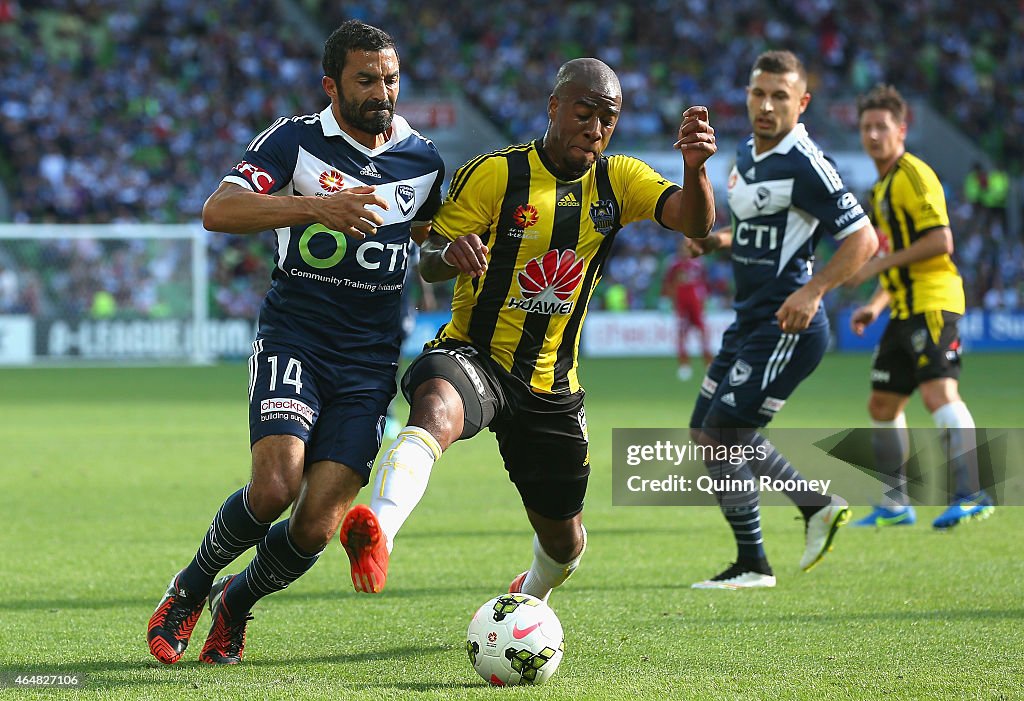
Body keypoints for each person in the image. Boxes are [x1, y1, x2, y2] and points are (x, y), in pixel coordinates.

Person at [336, 57, 717, 601]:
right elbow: (428, 262)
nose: (595, 129)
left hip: (549, 383)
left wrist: (696, 167)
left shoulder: (620, 179)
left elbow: (695, 222)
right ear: (554, 107)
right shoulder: (496, 174)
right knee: (435, 406)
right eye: (583, 114)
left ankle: (531, 592)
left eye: (607, 120)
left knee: (565, 544)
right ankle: (380, 535)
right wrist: (453, 252)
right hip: (475, 354)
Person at [146, 20, 445, 666]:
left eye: (390, 78)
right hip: (296, 338)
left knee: (314, 526)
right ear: (331, 84)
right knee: (276, 483)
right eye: (366, 79)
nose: (382, 91)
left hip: (369, 361)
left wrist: (456, 253)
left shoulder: (423, 161)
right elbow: (218, 210)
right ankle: (191, 586)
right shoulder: (295, 142)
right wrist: (314, 207)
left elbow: (427, 244)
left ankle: (236, 603)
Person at [683, 50, 877, 589]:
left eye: (780, 97)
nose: (766, 106)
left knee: (725, 433)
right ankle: (815, 505)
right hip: (749, 322)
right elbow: (759, 231)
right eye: (758, 94)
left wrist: (814, 291)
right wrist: (717, 240)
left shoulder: (806, 162)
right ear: (747, 95)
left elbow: (864, 239)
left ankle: (754, 564)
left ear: (802, 102)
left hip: (788, 324)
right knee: (709, 432)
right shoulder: (745, 154)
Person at [846, 84, 994, 529]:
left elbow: (939, 241)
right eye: (867, 127)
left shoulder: (913, 175)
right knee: (882, 405)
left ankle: (972, 493)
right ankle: (895, 506)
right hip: (902, 308)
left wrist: (876, 267)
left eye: (882, 127)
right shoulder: (881, 189)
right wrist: (876, 303)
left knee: (938, 393)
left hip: (933, 302)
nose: (873, 135)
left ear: (902, 130)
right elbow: (899, 257)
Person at [661, 238, 713, 380]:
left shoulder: (698, 264)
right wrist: (670, 301)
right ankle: (684, 365)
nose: (685, 250)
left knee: (702, 333)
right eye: (683, 247)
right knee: (682, 334)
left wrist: (704, 301)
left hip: (695, 303)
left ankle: (708, 363)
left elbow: (703, 284)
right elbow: (668, 283)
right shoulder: (673, 264)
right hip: (681, 302)